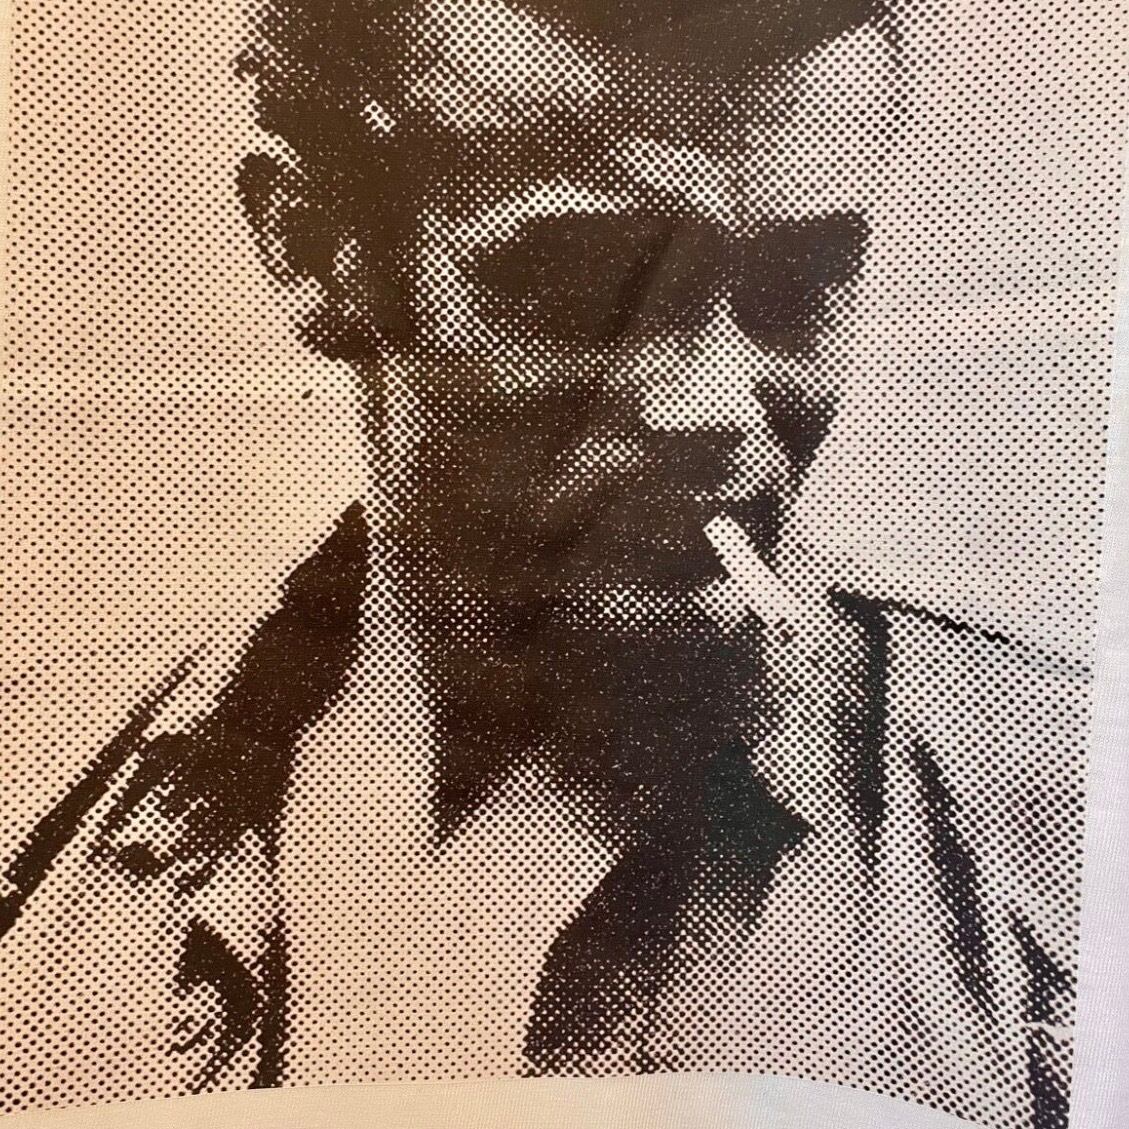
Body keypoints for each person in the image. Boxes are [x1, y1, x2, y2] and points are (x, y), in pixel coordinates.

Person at [0, 3, 1083, 1128]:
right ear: (315, 247)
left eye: (798, 286)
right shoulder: (27, 801)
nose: (711, 405)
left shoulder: (1057, 836)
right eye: (591, 281)